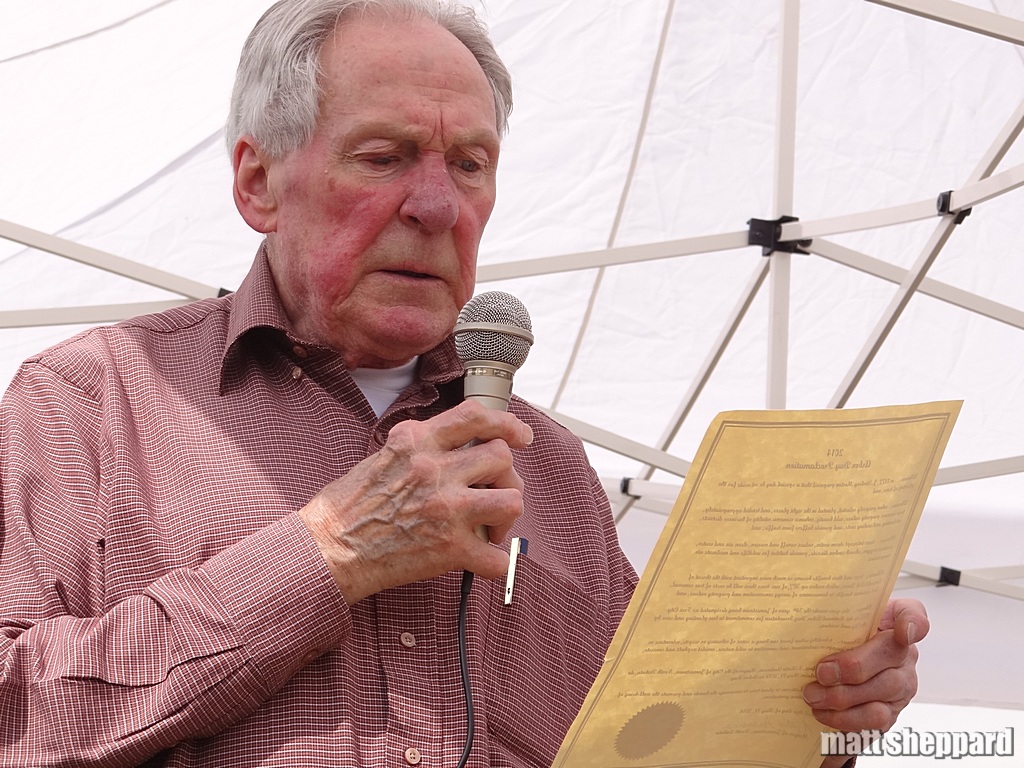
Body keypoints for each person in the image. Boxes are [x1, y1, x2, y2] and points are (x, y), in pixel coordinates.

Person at [0, 1, 926, 766]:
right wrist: (322, 557)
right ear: (258, 182)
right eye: (383, 156)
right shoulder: (88, 404)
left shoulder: (552, 468)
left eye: (470, 165)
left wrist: (814, 715)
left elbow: (654, 747)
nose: (437, 206)